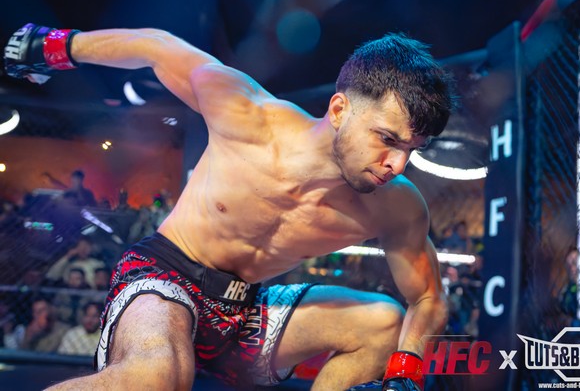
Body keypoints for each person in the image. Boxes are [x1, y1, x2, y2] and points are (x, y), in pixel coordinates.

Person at [3, 23, 456, 390]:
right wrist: (55, 46)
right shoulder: (247, 116)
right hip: (165, 276)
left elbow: (428, 297)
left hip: (243, 309)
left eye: (411, 149)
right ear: (339, 110)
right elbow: (155, 46)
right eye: (387, 139)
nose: (397, 164)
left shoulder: (396, 206)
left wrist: (406, 373)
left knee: (383, 323)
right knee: (157, 376)